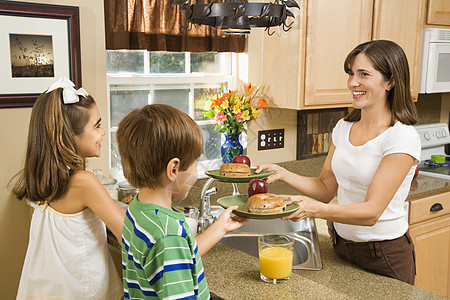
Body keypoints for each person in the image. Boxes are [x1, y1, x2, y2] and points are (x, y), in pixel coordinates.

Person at [256, 40, 420, 284]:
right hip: (342, 247)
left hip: (385, 255)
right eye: (351, 73)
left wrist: (318, 211)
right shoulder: (343, 128)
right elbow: (325, 188)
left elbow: (371, 212)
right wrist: (284, 174)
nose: (353, 82)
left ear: (390, 81)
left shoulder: (401, 136)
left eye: (364, 74)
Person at [116, 104, 249, 299]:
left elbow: (184, 255)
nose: (196, 172)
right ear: (174, 169)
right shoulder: (166, 235)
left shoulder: (138, 209)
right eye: (195, 162)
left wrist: (220, 227)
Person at [11, 77, 125, 299]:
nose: (102, 133)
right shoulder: (84, 182)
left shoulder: (44, 178)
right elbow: (128, 233)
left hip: (48, 287)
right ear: (70, 136)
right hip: (82, 289)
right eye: (97, 125)